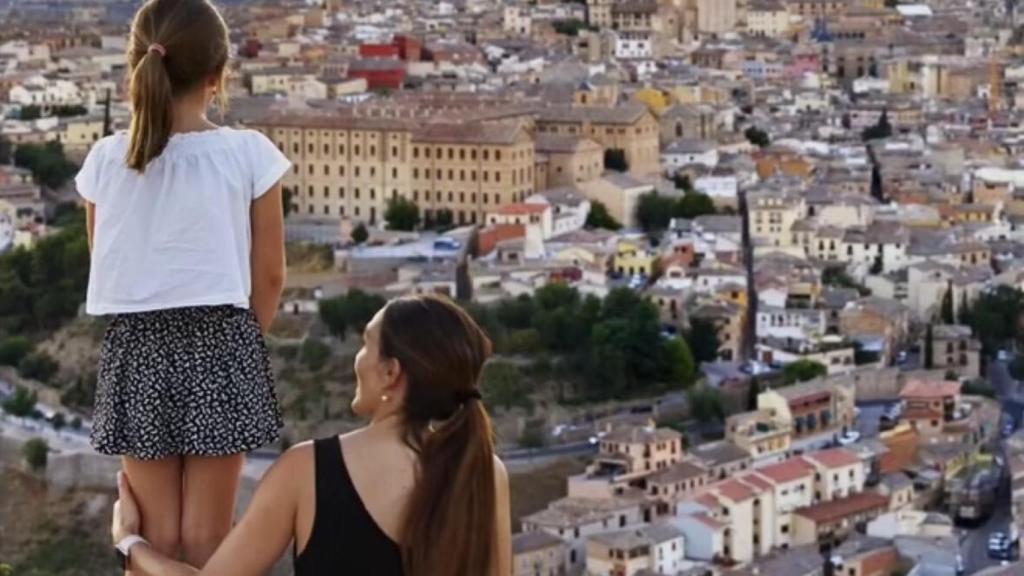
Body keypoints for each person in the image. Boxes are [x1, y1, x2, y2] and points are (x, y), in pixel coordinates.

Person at [78, 0, 289, 568]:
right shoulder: (249, 154)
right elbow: (270, 275)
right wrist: (242, 345)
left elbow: (107, 259)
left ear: (136, 67)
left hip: (139, 346)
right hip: (221, 343)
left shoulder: (105, 160)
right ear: (217, 77)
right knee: (208, 537)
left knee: (151, 531)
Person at [111, 295, 513, 575]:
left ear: (391, 373)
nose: (357, 358)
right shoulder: (484, 471)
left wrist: (130, 543)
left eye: (366, 344)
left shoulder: (306, 469)